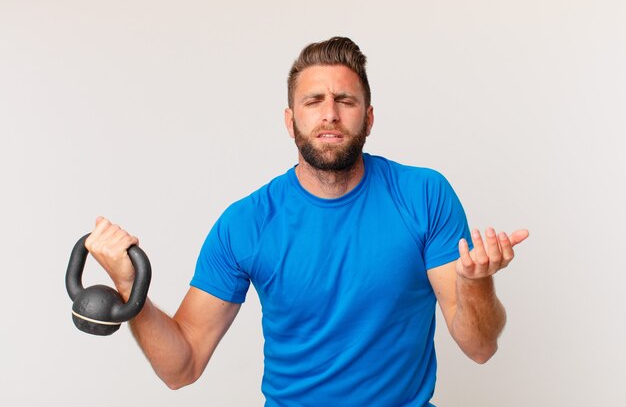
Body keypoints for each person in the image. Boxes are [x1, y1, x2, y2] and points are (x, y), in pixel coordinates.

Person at [86, 36, 529, 407]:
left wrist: (476, 284)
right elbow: (181, 368)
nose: (330, 114)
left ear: (368, 118)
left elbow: (480, 346)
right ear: (290, 119)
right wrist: (131, 290)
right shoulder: (247, 223)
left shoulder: (423, 195)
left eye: (346, 100)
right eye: (313, 101)